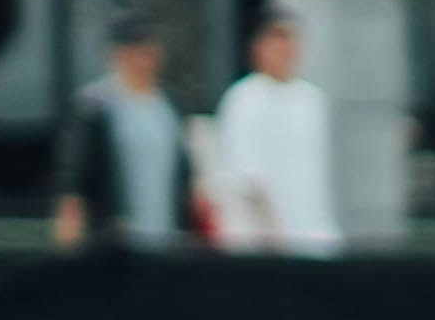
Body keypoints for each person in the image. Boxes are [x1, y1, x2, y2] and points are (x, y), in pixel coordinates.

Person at [205, 13, 343, 254]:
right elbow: (247, 179)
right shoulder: (244, 99)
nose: (285, 48)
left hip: (313, 237)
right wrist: (275, 239)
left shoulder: (311, 101)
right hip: (262, 242)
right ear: (258, 48)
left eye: (290, 39)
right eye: (277, 39)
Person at [53, 26, 190, 250]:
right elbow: (74, 173)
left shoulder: (167, 108)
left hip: (165, 237)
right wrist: (70, 225)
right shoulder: (95, 106)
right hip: (113, 238)